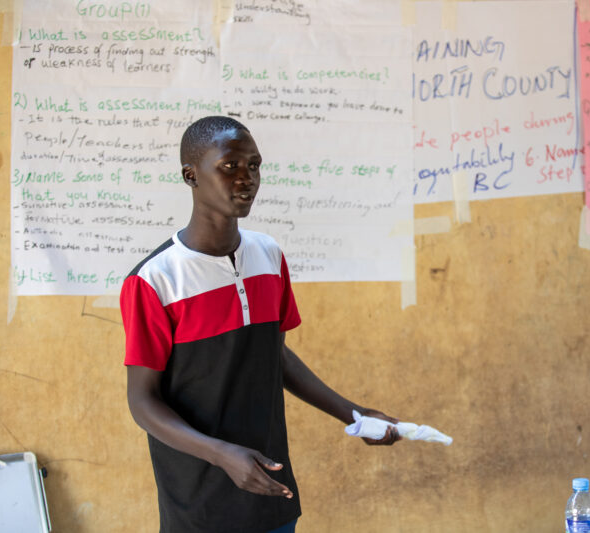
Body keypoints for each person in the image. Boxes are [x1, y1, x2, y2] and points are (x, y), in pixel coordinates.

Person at [120, 116, 400, 533]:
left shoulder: (268, 256)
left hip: (270, 488)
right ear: (191, 175)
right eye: (229, 166)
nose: (246, 178)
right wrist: (219, 453)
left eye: (254, 166)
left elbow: (274, 355)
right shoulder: (154, 281)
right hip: (199, 502)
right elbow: (142, 402)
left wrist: (354, 414)